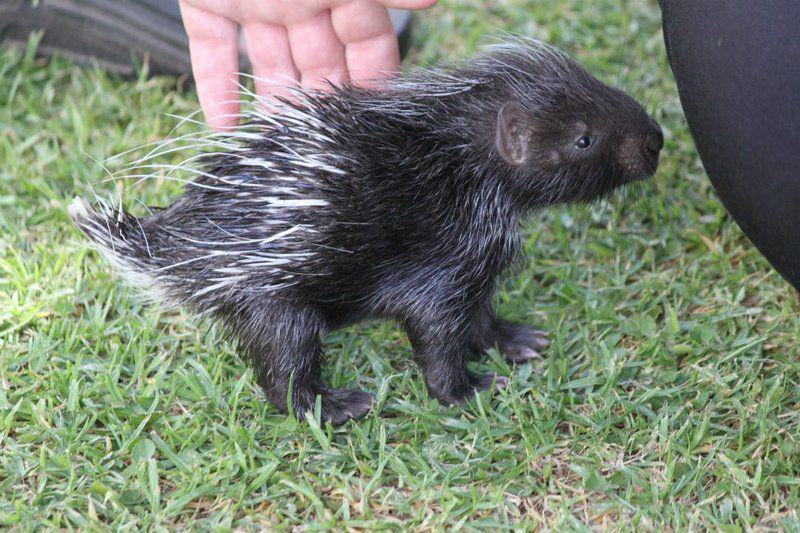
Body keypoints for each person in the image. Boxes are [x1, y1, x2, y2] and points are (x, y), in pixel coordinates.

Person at [3, 0, 798, 290]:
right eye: (588, 140)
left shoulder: (475, 203)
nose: (633, 147)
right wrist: (454, 372)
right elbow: (431, 295)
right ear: (513, 142)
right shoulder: (469, 221)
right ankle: (299, 392)